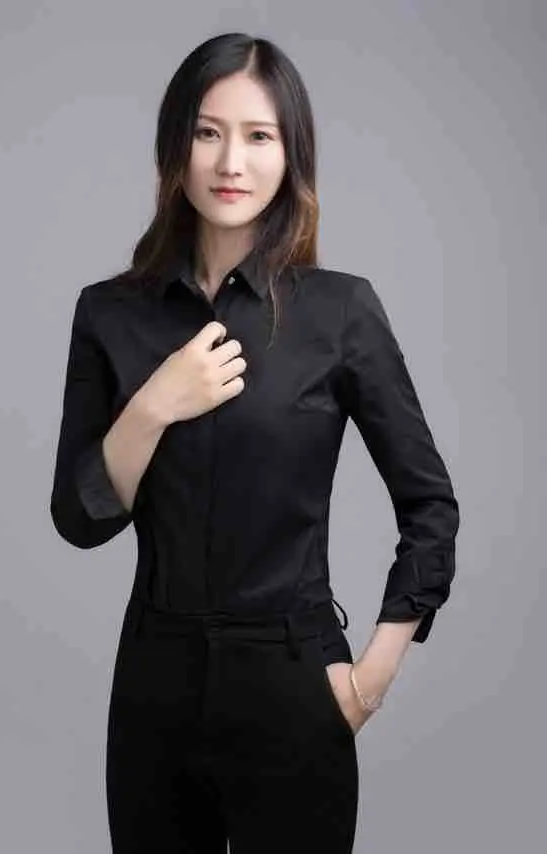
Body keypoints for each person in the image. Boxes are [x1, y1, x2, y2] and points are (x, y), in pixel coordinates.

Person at [49, 31, 460, 854]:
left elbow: (430, 508)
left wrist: (370, 680)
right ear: (175, 145)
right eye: (208, 132)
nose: (230, 161)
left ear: (290, 154)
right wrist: (155, 404)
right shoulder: (110, 313)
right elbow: (80, 517)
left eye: (259, 136)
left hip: (292, 683)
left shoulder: (339, 311)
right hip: (154, 686)